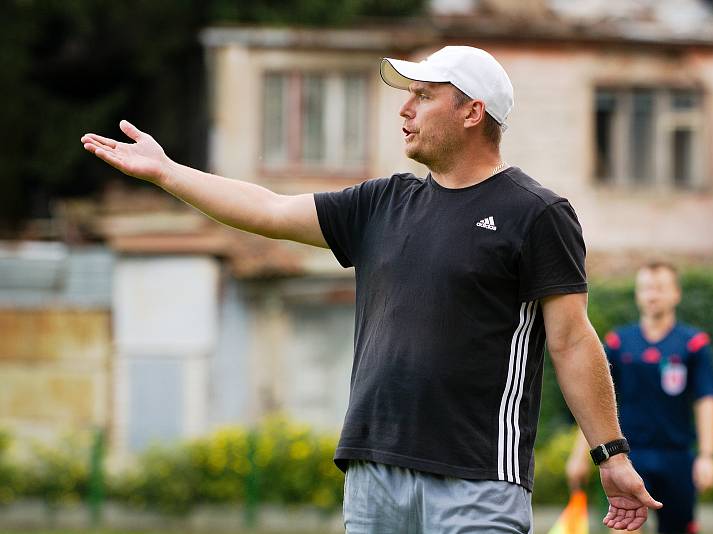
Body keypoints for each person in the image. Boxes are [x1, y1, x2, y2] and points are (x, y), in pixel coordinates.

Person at [82, 45, 660, 533]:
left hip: (478, 479)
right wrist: (166, 172)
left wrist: (610, 454)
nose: (404, 110)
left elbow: (571, 341)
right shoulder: (381, 203)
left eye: (423, 96)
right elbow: (267, 208)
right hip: (372, 475)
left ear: (472, 112)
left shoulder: (536, 214)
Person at [566, 261, 713, 534]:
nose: (652, 295)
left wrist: (707, 456)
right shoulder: (618, 343)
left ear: (676, 294)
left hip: (677, 457)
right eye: (646, 288)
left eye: (660, 288)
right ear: (638, 294)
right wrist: (580, 456)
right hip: (627, 456)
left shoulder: (693, 344)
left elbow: (706, 399)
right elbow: (597, 401)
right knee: (625, 528)